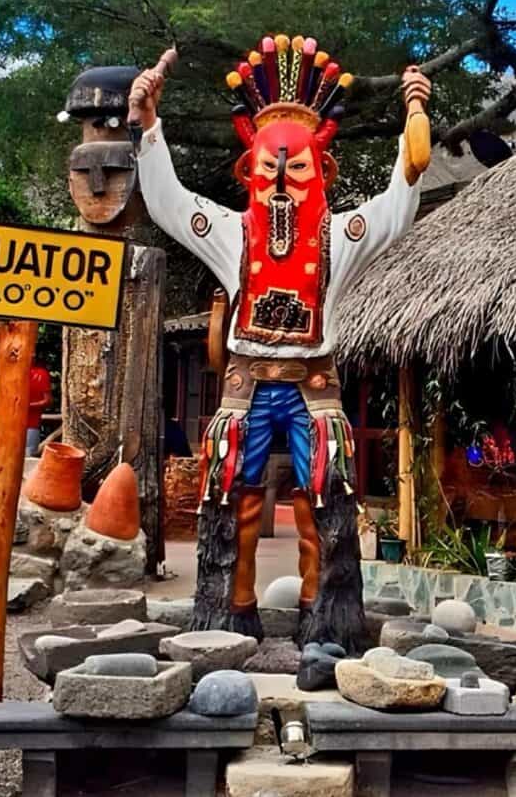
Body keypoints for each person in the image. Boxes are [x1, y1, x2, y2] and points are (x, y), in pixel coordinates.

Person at [130, 36, 431, 647]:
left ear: (322, 172)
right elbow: (168, 202)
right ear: (250, 173)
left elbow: (398, 203)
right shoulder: (230, 233)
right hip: (246, 386)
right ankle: (229, 614)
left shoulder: (342, 236)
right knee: (231, 498)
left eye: (297, 170)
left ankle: (325, 623)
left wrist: (414, 125)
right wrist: (151, 126)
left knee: (322, 500)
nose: (283, 185)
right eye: (270, 170)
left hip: (314, 387)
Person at [26, 358, 53, 457]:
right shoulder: (9, 373)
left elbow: (47, 400)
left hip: (31, 424)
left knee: (28, 457)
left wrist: (27, 406)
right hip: (8, 425)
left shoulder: (40, 374)